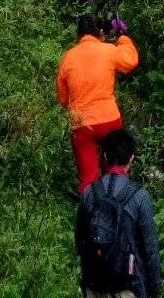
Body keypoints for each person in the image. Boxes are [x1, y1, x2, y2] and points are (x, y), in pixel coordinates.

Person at [74, 126, 162, 298]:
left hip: (94, 285)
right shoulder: (139, 196)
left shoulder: (90, 193)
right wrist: (156, 291)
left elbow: (79, 240)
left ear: (105, 157)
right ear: (131, 159)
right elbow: (150, 250)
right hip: (127, 286)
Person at [56, 11, 139, 192]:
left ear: (78, 34)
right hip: (109, 120)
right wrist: (122, 36)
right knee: (114, 172)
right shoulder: (109, 51)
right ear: (100, 32)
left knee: (88, 179)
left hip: (81, 124)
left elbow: (63, 98)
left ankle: (91, 213)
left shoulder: (68, 57)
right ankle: (115, 204)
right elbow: (131, 60)